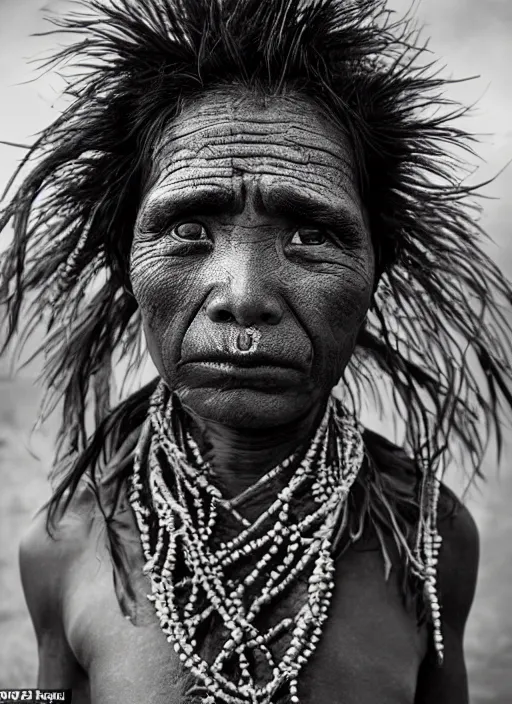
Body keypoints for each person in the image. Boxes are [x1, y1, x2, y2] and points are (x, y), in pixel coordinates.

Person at [1, 0, 511, 702]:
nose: (243, 295)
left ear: (375, 272)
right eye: (187, 229)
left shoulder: (430, 539)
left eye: (310, 235)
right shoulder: (63, 548)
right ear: (126, 264)